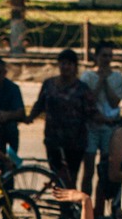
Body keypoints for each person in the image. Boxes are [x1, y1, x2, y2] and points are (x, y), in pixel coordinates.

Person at [28, 48, 92, 190]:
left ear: (75, 66)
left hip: (76, 141)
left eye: (69, 64)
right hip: (53, 138)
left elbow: (91, 111)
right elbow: (40, 104)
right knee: (57, 176)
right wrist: (28, 118)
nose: (65, 67)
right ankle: (63, 207)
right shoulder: (49, 84)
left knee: (71, 176)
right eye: (62, 63)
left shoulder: (82, 88)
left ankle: (70, 207)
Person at [81, 42, 122, 214]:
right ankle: (85, 205)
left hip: (109, 127)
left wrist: (106, 82)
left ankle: (99, 207)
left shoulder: (117, 77)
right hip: (91, 127)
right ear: (96, 57)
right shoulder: (88, 77)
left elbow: (115, 101)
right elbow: (89, 99)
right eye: (103, 55)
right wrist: (100, 79)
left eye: (109, 55)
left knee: (106, 168)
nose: (106, 59)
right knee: (89, 168)